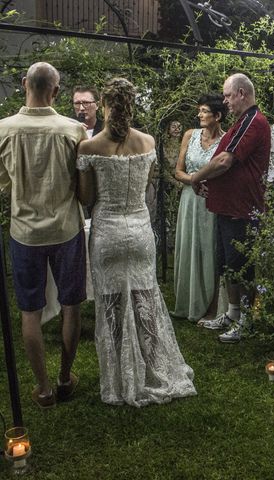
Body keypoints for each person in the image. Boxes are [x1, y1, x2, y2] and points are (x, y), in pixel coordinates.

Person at [76, 78, 196, 407]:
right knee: (146, 302)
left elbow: (86, 197)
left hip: (108, 232)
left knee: (112, 306)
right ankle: (156, 368)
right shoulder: (147, 142)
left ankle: (122, 376)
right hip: (140, 231)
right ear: (132, 106)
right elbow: (146, 188)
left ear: (103, 105)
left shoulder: (89, 147)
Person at [0, 62, 86, 409]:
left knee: (30, 311)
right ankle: (65, 378)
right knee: (71, 305)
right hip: (66, 228)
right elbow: (83, 188)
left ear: (24, 84)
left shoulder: (4, 129)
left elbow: (3, 183)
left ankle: (44, 388)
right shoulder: (74, 129)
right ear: (57, 91)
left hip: (25, 233)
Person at [189, 73, 270, 343]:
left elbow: (225, 161)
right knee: (227, 264)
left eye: (227, 95)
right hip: (228, 205)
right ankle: (233, 313)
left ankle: (247, 319)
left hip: (242, 207)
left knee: (242, 265)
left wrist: (196, 177)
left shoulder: (253, 122)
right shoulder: (240, 123)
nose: (224, 101)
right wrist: (210, 183)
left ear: (242, 94)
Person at [173, 94, 227, 324]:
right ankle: (186, 303)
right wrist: (194, 180)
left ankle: (211, 305)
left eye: (204, 111)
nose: (199, 115)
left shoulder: (226, 140)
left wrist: (208, 184)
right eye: (200, 111)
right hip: (189, 198)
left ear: (218, 116)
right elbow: (178, 171)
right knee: (189, 246)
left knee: (210, 249)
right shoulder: (190, 135)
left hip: (212, 201)